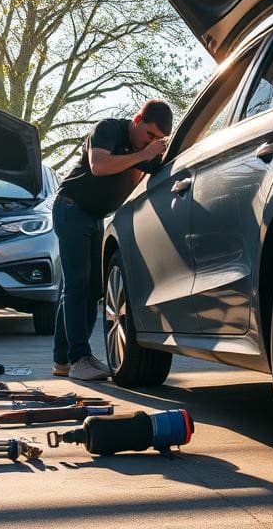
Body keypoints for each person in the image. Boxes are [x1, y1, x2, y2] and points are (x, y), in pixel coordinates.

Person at [52, 100, 173, 381]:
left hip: (95, 217)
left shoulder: (144, 150)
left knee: (90, 287)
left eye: (158, 139)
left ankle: (62, 360)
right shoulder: (108, 129)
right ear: (138, 119)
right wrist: (144, 154)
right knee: (77, 284)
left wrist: (152, 155)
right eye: (149, 134)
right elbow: (99, 165)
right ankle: (79, 358)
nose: (151, 141)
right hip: (71, 208)